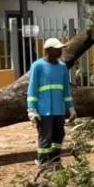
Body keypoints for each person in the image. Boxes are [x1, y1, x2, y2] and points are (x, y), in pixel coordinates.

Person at [27, 38, 76, 168]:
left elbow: (66, 90)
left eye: (60, 49)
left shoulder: (62, 67)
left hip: (59, 110)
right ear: (48, 50)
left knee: (59, 135)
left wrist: (71, 108)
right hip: (43, 110)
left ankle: (55, 160)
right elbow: (32, 89)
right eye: (57, 49)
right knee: (45, 137)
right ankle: (43, 162)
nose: (60, 51)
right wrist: (31, 110)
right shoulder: (37, 66)